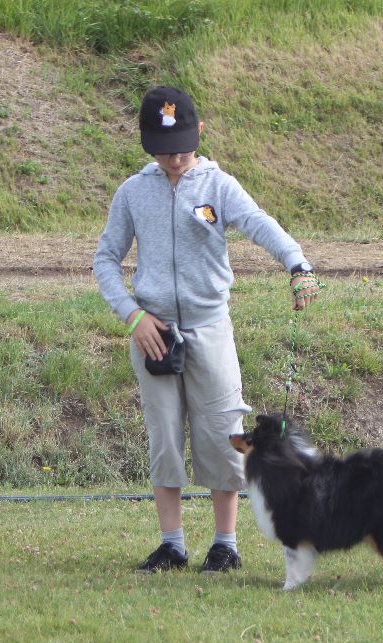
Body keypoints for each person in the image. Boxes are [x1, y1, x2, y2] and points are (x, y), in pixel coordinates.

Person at [93, 86, 322, 574]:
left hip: (210, 327)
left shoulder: (219, 186)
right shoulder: (133, 191)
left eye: (181, 147)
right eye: (162, 148)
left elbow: (259, 224)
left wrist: (297, 264)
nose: (174, 158)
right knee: (164, 437)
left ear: (198, 136)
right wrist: (133, 316)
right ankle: (172, 544)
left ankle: (225, 545)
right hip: (153, 333)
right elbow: (106, 259)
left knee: (223, 434)